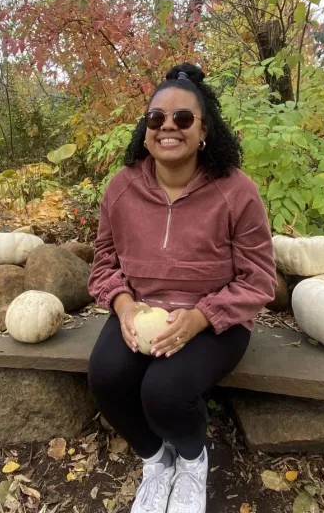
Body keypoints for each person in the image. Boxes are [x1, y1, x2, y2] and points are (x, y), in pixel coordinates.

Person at [87, 63, 277, 513]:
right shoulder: (121, 188)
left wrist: (199, 318)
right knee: (106, 377)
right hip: (141, 311)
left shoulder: (237, 191)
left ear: (204, 130)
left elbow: (259, 278)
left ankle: (193, 461)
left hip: (217, 319)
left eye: (183, 118)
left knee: (165, 391)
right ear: (146, 128)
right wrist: (124, 304)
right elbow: (102, 263)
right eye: (156, 118)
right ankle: (157, 460)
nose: (168, 127)